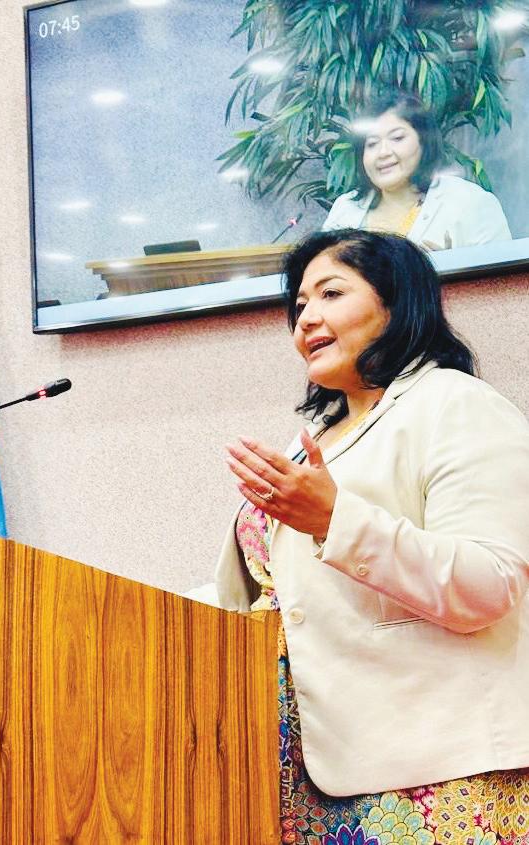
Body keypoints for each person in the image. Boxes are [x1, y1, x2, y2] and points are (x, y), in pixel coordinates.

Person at [216, 228, 529, 843]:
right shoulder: (310, 441)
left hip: (432, 772)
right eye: (299, 304)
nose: (307, 318)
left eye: (331, 293)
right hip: (302, 764)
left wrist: (334, 520)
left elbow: (490, 583)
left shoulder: (454, 404)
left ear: (397, 301)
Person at [322, 92, 512, 250]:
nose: (383, 152)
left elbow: (500, 282)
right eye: (371, 144)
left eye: (397, 138)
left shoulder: (469, 202)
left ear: (424, 142)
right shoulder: (345, 209)